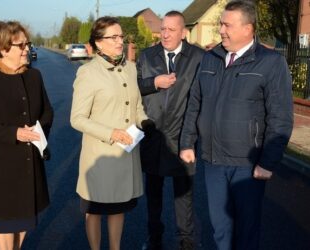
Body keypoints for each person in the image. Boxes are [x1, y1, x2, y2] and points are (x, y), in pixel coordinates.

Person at [179, 1, 293, 250]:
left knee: (246, 228)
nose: (221, 30)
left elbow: (281, 117)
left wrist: (267, 162)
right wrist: (187, 142)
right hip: (213, 161)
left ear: (248, 28)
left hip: (248, 165)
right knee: (220, 227)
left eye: (227, 25)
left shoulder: (271, 63)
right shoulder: (210, 59)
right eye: (221, 24)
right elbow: (194, 103)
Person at [0, 21, 53, 250]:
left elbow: (47, 112)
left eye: (28, 43)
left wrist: (39, 131)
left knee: (24, 219)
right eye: (21, 45)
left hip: (28, 165)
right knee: (4, 224)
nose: (27, 48)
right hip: (0, 168)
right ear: (3, 48)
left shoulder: (34, 76)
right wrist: (14, 133)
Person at [70, 16, 149, 250]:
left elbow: (136, 107)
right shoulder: (88, 73)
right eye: (113, 37)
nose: (119, 41)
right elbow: (77, 118)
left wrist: (146, 123)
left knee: (118, 209)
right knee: (94, 211)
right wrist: (112, 132)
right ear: (98, 42)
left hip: (125, 155)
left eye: (121, 36)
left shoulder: (130, 69)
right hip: (100, 157)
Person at [136, 10, 204, 250]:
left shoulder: (198, 57)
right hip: (153, 137)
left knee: (183, 197)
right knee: (153, 194)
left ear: (183, 32)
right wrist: (154, 83)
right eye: (163, 29)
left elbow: (202, 97)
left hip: (182, 138)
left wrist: (195, 136)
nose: (165, 34)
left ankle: (186, 242)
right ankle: (154, 239)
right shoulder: (146, 56)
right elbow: (134, 89)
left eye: (171, 30)